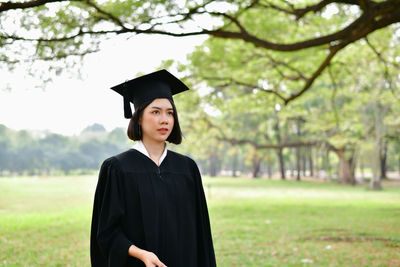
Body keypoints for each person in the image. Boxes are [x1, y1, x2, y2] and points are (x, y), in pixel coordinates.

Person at [90, 69, 216, 267]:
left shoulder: (187, 168)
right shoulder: (117, 168)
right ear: (139, 117)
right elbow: (106, 232)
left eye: (170, 113)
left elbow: (202, 234)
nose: (164, 119)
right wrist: (141, 254)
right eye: (155, 112)